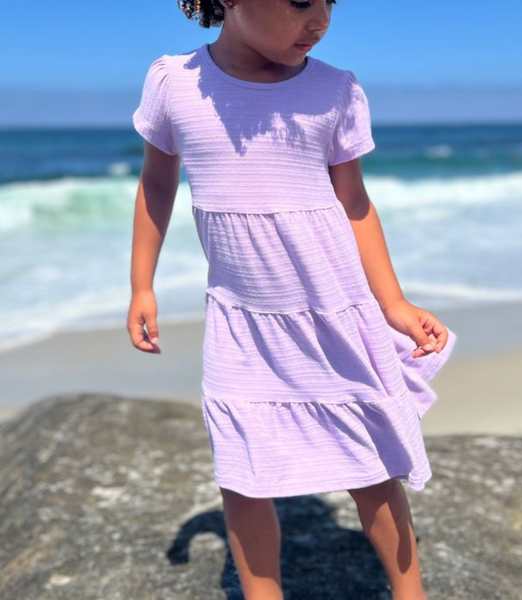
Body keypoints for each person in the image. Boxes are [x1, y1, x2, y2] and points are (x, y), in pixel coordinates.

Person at [128, 1, 458, 599]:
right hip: (240, 319)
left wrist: (393, 304)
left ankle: (411, 594)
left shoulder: (334, 89)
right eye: (302, 1)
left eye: (331, 2)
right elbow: (156, 181)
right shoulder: (173, 83)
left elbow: (353, 202)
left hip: (332, 307)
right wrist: (141, 285)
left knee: (372, 462)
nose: (321, 19)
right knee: (242, 471)